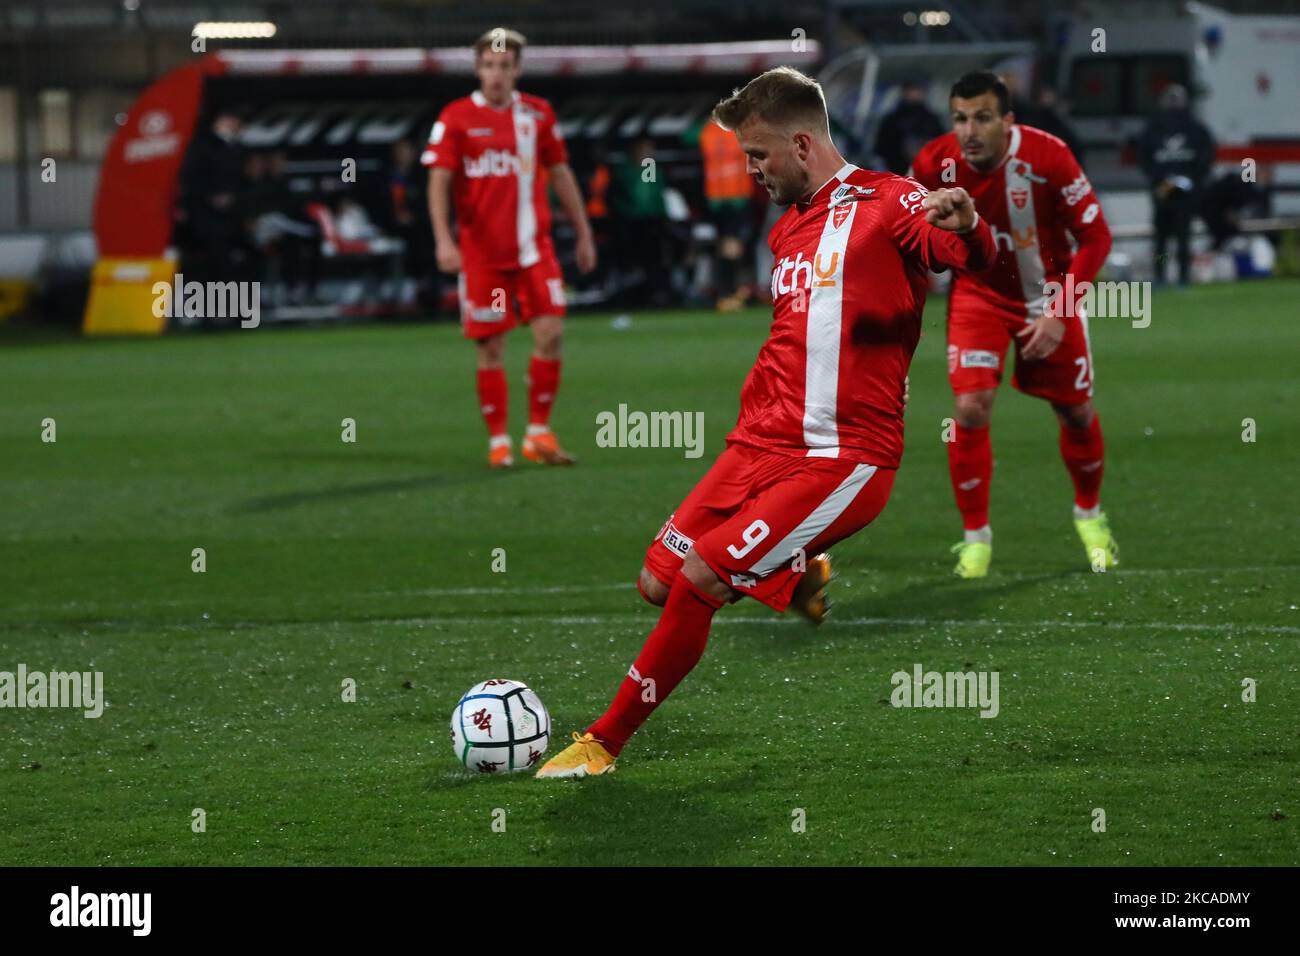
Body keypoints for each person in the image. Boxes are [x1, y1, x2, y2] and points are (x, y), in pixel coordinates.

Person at [535, 66, 994, 778]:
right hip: (756, 444)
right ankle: (803, 567)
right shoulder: (785, 232)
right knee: (655, 583)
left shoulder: (889, 201)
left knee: (700, 580)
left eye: (757, 155)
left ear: (804, 145)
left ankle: (603, 742)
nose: (749, 170)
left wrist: (971, 227)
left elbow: (956, 249)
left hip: (843, 457)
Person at [911, 71, 1118, 579]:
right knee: (970, 406)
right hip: (977, 297)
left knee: (1074, 413)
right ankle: (976, 539)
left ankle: (1090, 514)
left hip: (1048, 296)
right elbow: (909, 232)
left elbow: (1096, 238)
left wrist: (1060, 310)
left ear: (1007, 120)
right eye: (960, 118)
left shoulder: (1049, 157)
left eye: (982, 117)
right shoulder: (933, 163)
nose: (969, 130)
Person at [424, 27, 597, 469]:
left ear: (517, 68)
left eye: (505, 65)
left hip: (534, 249)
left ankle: (538, 432)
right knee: (491, 348)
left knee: (552, 333)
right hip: (483, 255)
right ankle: (499, 439)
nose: (497, 74)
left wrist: (583, 232)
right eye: (489, 65)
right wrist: (443, 239)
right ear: (478, 68)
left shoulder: (538, 115)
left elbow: (560, 173)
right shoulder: (456, 117)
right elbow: (438, 180)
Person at [1136, 84, 1215, 287]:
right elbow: (1206, 158)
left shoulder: (1154, 128)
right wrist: (1190, 180)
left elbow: (1143, 158)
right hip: (1180, 189)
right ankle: (1178, 276)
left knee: (1164, 238)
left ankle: (1168, 275)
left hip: (1165, 189)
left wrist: (1160, 180)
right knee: (1179, 236)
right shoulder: (1195, 128)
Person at [698, 119, 757, 310]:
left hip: (717, 198)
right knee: (732, 246)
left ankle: (727, 292)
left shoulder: (707, 130)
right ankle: (729, 292)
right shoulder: (742, 129)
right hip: (736, 197)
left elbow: (687, 136)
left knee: (727, 245)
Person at [874, 80, 944, 176]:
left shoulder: (930, 119)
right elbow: (882, 146)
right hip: (897, 169)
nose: (914, 94)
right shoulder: (893, 119)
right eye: (911, 90)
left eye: (917, 90)